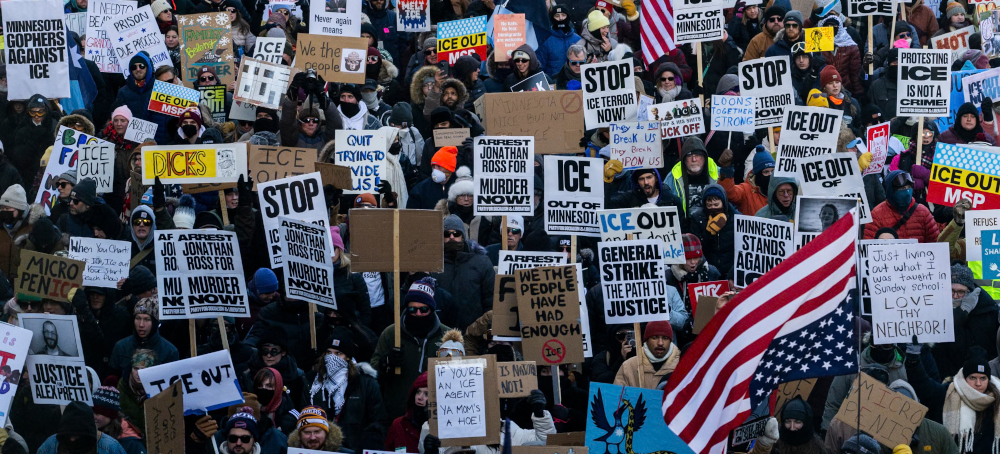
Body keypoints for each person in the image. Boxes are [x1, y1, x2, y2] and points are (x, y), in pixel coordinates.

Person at [372, 277, 451, 420]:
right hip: (398, 414)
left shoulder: (447, 337)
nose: (418, 314)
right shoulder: (391, 334)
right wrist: (386, 363)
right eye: (413, 309)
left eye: (424, 309)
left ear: (432, 309)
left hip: (436, 415)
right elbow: (373, 371)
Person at [306, 328, 385, 451]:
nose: (332, 358)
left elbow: (377, 422)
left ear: (348, 358)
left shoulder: (366, 384)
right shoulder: (313, 382)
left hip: (354, 449)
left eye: (338, 354)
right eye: (328, 353)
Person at [431, 215, 494, 331]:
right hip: (439, 332)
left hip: (473, 334)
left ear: (463, 236)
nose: (451, 237)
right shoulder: (433, 264)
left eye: (456, 234)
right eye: (446, 234)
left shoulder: (481, 262)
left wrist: (486, 329)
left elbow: (491, 300)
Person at [109, 297, 179, 380]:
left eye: (147, 319)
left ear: (155, 323)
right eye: (138, 318)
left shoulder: (169, 351)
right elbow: (112, 379)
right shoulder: (121, 347)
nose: (141, 324)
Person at [864, 170, 939, 242]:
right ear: (890, 191)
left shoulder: (923, 212)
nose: (907, 192)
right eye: (902, 188)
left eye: (909, 187)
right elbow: (869, 247)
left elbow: (935, 243)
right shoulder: (877, 215)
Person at [36, 401, 127, 454]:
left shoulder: (110, 448)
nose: (72, 439)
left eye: (77, 436)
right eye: (69, 435)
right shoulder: (50, 446)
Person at [613, 321, 681, 389]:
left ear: (670, 341)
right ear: (646, 341)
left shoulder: (683, 366)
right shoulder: (628, 367)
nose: (660, 343)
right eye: (655, 337)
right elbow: (617, 397)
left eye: (665, 338)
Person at [664, 137, 720, 214]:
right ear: (684, 158)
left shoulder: (719, 173)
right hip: (684, 223)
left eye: (698, 155)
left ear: (704, 157)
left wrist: (728, 170)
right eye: (689, 155)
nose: (694, 159)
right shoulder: (672, 177)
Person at [92, 385, 145, 454]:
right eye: (91, 412)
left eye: (98, 413)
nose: (93, 416)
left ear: (111, 415)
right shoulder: (89, 433)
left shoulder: (130, 442)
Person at [385, 372, 428, 452]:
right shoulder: (399, 425)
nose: (419, 397)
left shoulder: (443, 430)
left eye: (426, 394)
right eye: (418, 392)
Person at [537, 5, 582, 77]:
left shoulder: (578, 39)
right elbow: (540, 67)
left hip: (575, 82)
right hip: (554, 83)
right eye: (557, 16)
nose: (561, 18)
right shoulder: (545, 40)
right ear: (552, 18)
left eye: (563, 15)